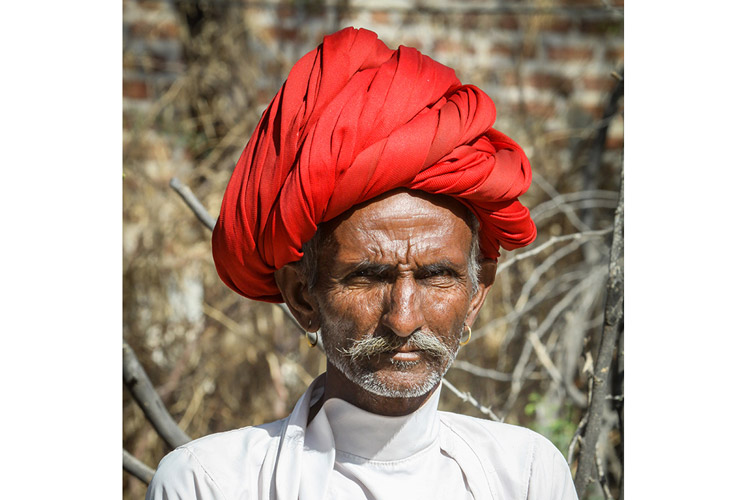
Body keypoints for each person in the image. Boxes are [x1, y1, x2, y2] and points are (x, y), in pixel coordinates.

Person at [146, 27, 578, 500]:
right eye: (368, 277)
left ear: (477, 292)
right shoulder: (211, 483)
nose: (403, 318)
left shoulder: (526, 475)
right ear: (301, 296)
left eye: (437, 276)